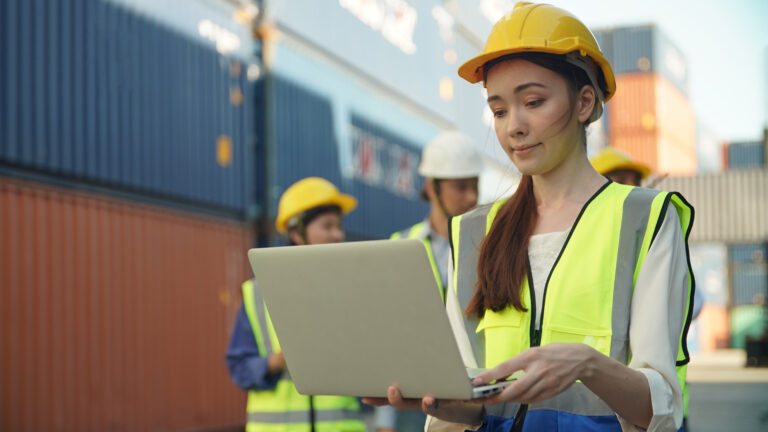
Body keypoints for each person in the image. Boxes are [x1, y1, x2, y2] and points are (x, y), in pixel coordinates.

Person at [365, 3, 694, 432]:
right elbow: (474, 403)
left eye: (533, 101)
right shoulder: (474, 232)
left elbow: (661, 408)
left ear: (584, 102)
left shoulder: (645, 219)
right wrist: (438, 401)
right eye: (499, 110)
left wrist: (587, 364)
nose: (513, 127)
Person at [226, 177, 366, 432]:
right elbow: (239, 368)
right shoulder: (258, 294)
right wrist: (278, 361)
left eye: (339, 226)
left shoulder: (353, 291)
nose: (338, 235)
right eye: (327, 226)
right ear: (296, 232)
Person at [375, 131, 482, 432]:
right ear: (431, 187)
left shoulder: (489, 247)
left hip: (474, 395)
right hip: (413, 398)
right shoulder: (399, 246)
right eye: (461, 187)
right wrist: (386, 420)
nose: (472, 197)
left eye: (475, 185)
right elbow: (389, 333)